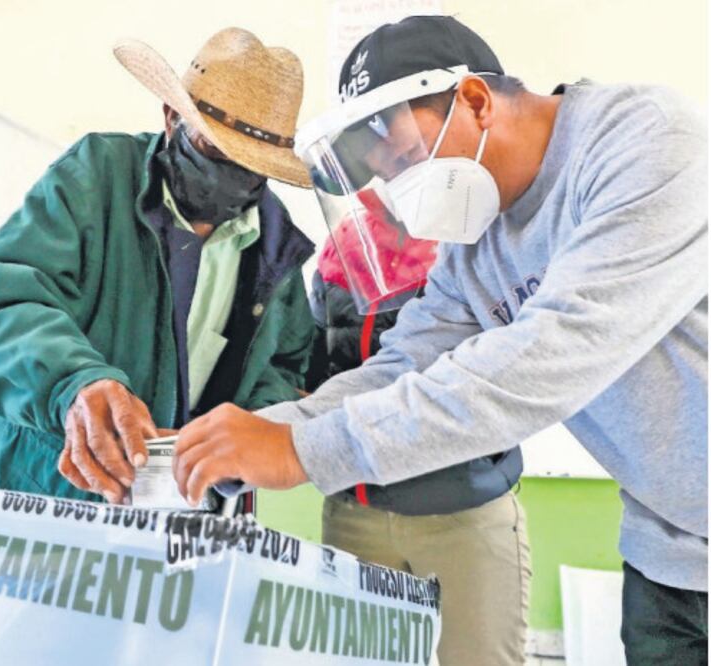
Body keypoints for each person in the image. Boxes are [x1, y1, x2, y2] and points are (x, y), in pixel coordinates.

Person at [172, 16, 707, 664]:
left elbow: (548, 356)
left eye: (404, 161)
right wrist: (271, 429)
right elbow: (404, 363)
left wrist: (304, 449)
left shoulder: (646, 142)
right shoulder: (476, 249)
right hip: (666, 553)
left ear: (476, 100)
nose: (403, 193)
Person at [0, 28, 316, 507]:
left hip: (191, 517)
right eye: (214, 149)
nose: (231, 174)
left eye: (252, 165)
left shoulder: (276, 247)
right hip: (51, 497)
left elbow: (284, 367)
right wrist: (75, 384)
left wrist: (241, 437)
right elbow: (2, 301)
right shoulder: (95, 177)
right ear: (170, 117)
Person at [306, 193, 530, 665]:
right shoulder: (340, 251)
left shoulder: (476, 239)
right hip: (356, 512)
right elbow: (314, 366)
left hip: (463, 512)